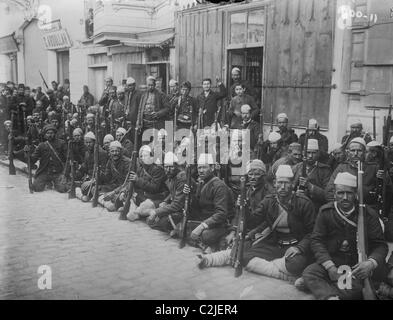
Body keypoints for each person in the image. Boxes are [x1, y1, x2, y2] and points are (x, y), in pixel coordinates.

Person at [198, 165, 315, 282]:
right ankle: (209, 260)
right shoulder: (269, 201)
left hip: (295, 246)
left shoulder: (304, 203)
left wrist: (299, 248)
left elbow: (312, 233)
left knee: (296, 265)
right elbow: (253, 222)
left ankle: (274, 266)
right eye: (280, 182)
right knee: (242, 255)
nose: (283, 187)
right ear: (274, 183)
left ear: (293, 184)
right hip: (275, 243)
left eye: (287, 183)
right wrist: (245, 207)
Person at [301, 172, 389, 300]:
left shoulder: (369, 214)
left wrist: (370, 263)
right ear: (334, 194)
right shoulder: (326, 211)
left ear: (356, 194)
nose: (345, 197)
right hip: (334, 260)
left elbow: (380, 246)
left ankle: (325, 289)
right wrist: (329, 266)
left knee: (355, 289)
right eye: (340, 193)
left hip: (356, 266)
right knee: (309, 272)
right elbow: (316, 240)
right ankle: (331, 295)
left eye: (349, 193)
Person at [325, 137, 392, 207]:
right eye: (353, 150)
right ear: (348, 152)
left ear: (364, 152)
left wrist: (385, 180)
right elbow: (329, 191)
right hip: (345, 209)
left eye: (359, 151)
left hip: (367, 210)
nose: (356, 153)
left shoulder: (374, 168)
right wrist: (340, 207)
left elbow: (387, 193)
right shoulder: (342, 168)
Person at [183, 153, 231, 252]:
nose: (200, 171)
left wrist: (202, 226)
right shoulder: (202, 183)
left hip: (219, 224)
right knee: (182, 227)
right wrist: (190, 194)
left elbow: (221, 214)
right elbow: (198, 206)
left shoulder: (219, 186)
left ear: (212, 168)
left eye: (204, 167)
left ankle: (217, 242)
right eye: (199, 167)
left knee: (205, 235)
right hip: (205, 219)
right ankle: (209, 244)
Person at [145, 151, 188, 234]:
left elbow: (177, 205)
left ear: (176, 166)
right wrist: (165, 201)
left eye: (171, 167)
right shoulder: (172, 177)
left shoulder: (181, 178)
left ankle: (179, 228)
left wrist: (157, 211)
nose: (168, 170)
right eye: (166, 167)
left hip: (184, 210)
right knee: (151, 220)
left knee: (159, 221)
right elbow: (173, 193)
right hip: (176, 207)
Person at [121, 144, 168, 219]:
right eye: (141, 156)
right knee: (127, 197)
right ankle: (139, 211)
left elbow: (154, 188)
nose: (143, 158)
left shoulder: (157, 169)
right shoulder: (141, 168)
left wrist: (138, 180)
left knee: (143, 207)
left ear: (151, 157)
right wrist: (126, 190)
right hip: (144, 196)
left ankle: (141, 212)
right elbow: (133, 184)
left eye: (146, 155)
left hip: (156, 197)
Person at [25, 124, 68, 193]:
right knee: (36, 188)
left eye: (52, 133)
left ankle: (53, 182)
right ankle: (48, 182)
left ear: (55, 134)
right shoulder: (41, 145)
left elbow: (67, 159)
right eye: (48, 133)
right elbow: (33, 160)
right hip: (45, 172)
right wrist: (27, 153)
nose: (50, 135)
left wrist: (64, 173)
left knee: (63, 189)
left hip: (57, 172)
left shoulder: (61, 143)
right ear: (45, 135)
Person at [292, 139, 332, 212]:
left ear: (318, 153)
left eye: (313, 153)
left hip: (316, 208)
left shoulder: (325, 170)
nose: (310, 156)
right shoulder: (296, 168)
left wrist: (310, 186)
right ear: (303, 153)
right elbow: (288, 188)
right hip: (297, 207)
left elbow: (327, 195)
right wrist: (295, 194)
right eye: (308, 152)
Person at [97, 140, 131, 212]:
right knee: (96, 189)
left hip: (125, 188)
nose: (115, 153)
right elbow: (107, 178)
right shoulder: (110, 161)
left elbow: (128, 182)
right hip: (115, 186)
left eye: (117, 151)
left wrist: (113, 192)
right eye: (112, 151)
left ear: (121, 151)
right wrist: (100, 173)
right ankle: (110, 203)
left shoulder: (127, 162)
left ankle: (113, 204)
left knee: (121, 196)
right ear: (109, 152)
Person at [75, 131, 108, 202]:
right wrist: (79, 167)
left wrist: (93, 180)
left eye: (90, 142)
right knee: (75, 185)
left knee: (92, 189)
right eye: (86, 142)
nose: (88, 144)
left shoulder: (102, 153)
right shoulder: (87, 153)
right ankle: (82, 197)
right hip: (89, 178)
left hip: (99, 181)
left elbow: (105, 171)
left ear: (94, 142)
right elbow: (86, 167)